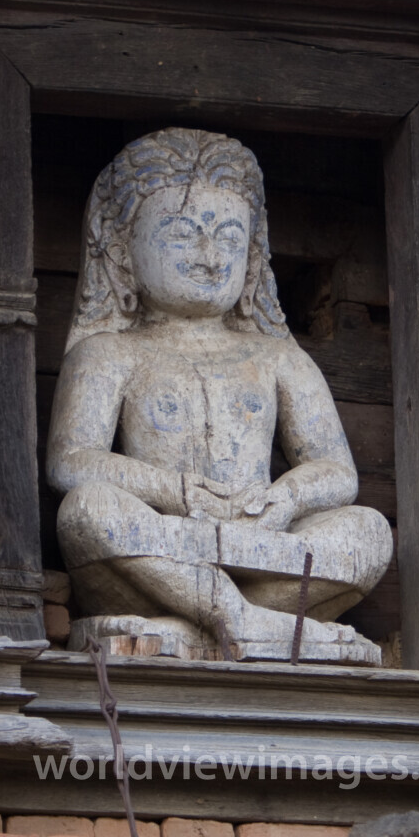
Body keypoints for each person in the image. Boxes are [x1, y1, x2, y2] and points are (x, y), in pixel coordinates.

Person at [46, 127, 392, 664]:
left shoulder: (278, 358)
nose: (210, 257)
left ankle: (209, 618)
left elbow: (337, 471)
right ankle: (245, 621)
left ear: (253, 258)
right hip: (163, 545)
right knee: (87, 510)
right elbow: (70, 462)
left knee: (368, 533)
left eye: (230, 239)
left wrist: (285, 499)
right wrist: (177, 492)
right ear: (121, 253)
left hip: (258, 545)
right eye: (183, 235)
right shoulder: (108, 353)